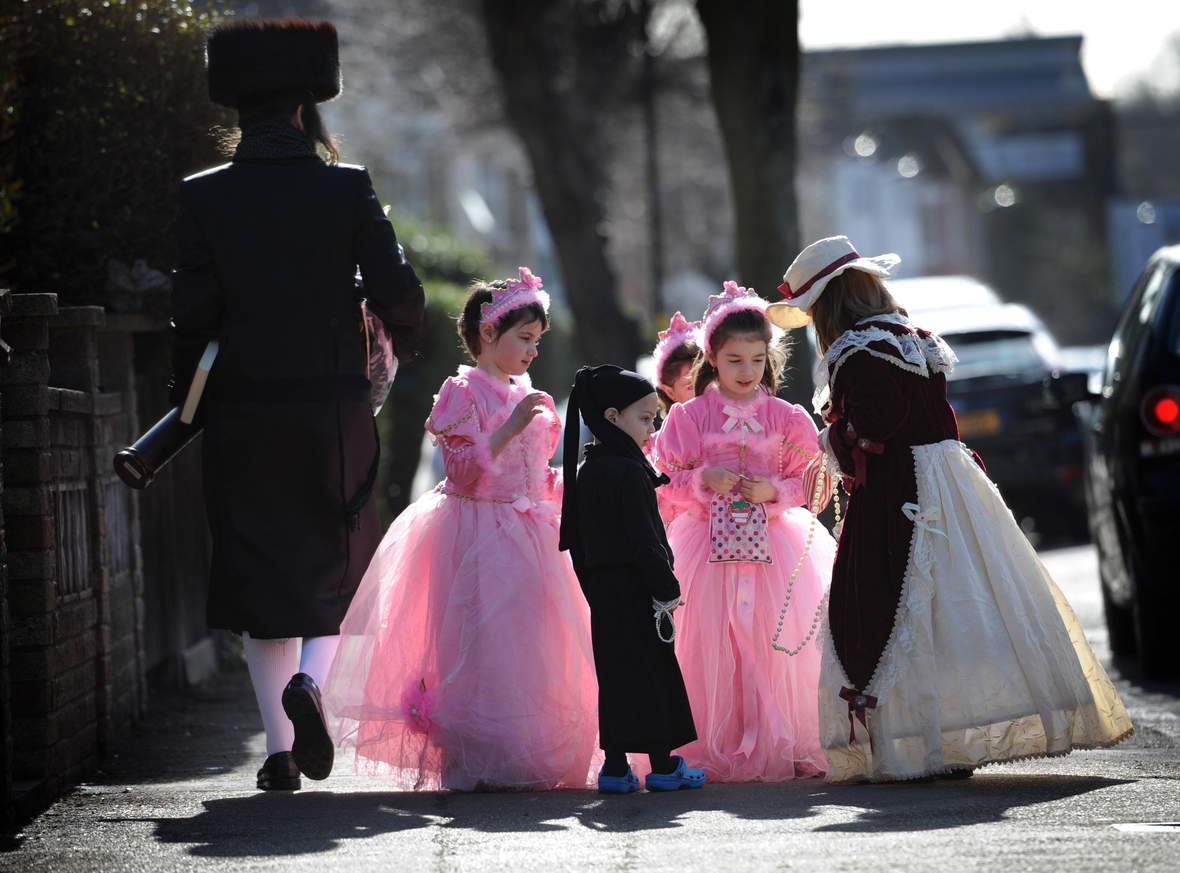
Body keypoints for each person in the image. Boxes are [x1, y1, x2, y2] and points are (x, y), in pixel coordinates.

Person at [767, 235, 1134, 783]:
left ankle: (914, 745)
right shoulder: (913, 337)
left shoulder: (856, 351)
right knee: (953, 604)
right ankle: (946, 740)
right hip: (947, 480)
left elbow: (876, 424)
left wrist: (832, 439)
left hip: (899, 491)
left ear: (828, 303)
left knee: (885, 606)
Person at [170, 20, 426, 791]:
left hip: (244, 412)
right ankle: (313, 684)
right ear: (306, 111)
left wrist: (190, 404)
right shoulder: (345, 186)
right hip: (332, 411)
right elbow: (402, 297)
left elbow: (194, 319)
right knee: (334, 566)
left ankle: (279, 755)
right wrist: (389, 335)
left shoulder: (202, 196)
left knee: (262, 580)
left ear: (239, 111)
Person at [322, 269, 599, 791]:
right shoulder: (463, 391)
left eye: (538, 342)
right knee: (481, 638)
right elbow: (464, 469)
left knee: (533, 642)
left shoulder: (525, 391)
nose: (532, 352)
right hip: (477, 529)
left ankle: (527, 750)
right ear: (488, 335)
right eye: (524, 339)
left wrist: (565, 486)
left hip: (529, 529)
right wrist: (513, 425)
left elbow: (536, 470)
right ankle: (478, 754)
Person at [652, 282, 835, 782]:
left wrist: (774, 491)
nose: (747, 371)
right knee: (709, 641)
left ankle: (785, 736)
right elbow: (662, 482)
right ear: (712, 355)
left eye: (757, 359)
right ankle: (714, 740)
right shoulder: (689, 417)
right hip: (703, 546)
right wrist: (701, 481)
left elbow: (815, 482)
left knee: (773, 637)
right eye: (734, 360)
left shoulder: (785, 416)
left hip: (775, 544)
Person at [559, 365, 706, 793]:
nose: (652, 428)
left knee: (617, 679)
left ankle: (616, 768)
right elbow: (647, 543)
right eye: (644, 418)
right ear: (610, 417)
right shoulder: (628, 472)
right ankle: (662, 765)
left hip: (605, 594)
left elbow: (577, 544)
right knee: (654, 675)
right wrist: (667, 589)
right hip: (640, 590)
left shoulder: (587, 471)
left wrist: (594, 590)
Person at [649, 312, 702, 525]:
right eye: (690, 386)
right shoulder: (655, 445)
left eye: (706, 379)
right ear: (670, 392)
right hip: (678, 540)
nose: (702, 390)